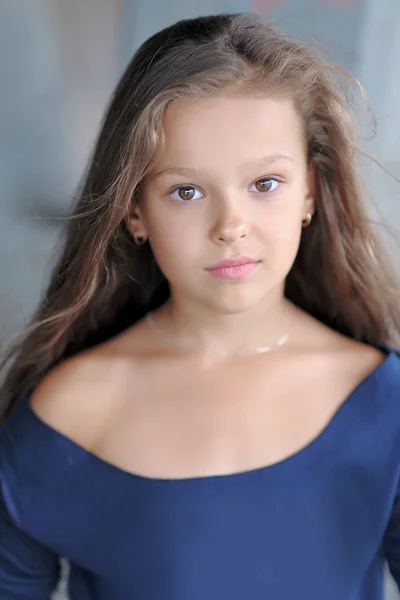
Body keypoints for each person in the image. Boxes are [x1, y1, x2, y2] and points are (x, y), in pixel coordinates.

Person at [1, 11, 400, 600]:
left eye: (265, 184)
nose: (230, 226)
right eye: (186, 191)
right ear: (134, 210)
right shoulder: (70, 417)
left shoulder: (383, 405)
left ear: (310, 193)